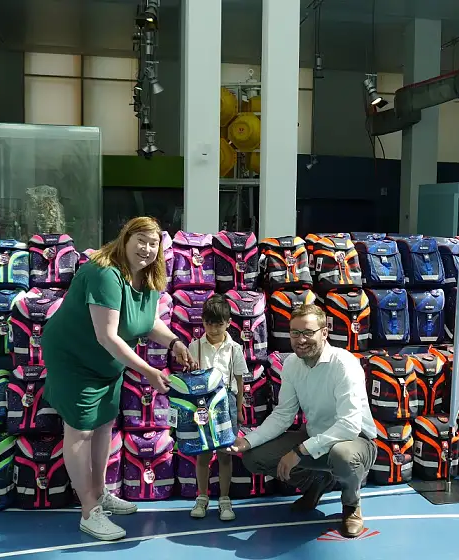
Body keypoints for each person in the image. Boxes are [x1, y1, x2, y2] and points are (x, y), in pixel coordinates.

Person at [41, 216, 196, 542]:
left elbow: (147, 321)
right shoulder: (104, 274)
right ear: (125, 239)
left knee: (103, 426)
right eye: (140, 239)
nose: (147, 248)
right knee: (81, 430)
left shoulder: (149, 279)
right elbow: (108, 336)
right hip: (74, 358)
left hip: (107, 364)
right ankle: (88, 511)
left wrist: (175, 342)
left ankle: (99, 493)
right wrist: (151, 372)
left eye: (153, 243)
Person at [226, 303, 377, 538]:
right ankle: (317, 482)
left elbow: (349, 425)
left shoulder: (344, 364)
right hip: (314, 437)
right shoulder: (292, 364)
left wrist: (299, 451)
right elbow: (283, 414)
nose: (300, 340)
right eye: (295, 333)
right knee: (254, 457)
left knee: (343, 456)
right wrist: (249, 441)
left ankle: (351, 505)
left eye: (308, 332)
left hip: (356, 440)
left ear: (324, 332)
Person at [185, 294, 248, 521]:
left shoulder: (235, 349)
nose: (213, 328)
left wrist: (239, 409)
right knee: (203, 454)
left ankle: (224, 499)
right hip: (202, 403)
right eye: (209, 323)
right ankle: (202, 497)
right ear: (202, 322)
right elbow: (190, 380)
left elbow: (240, 382)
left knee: (224, 455)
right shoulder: (194, 346)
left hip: (227, 403)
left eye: (218, 323)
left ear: (228, 322)